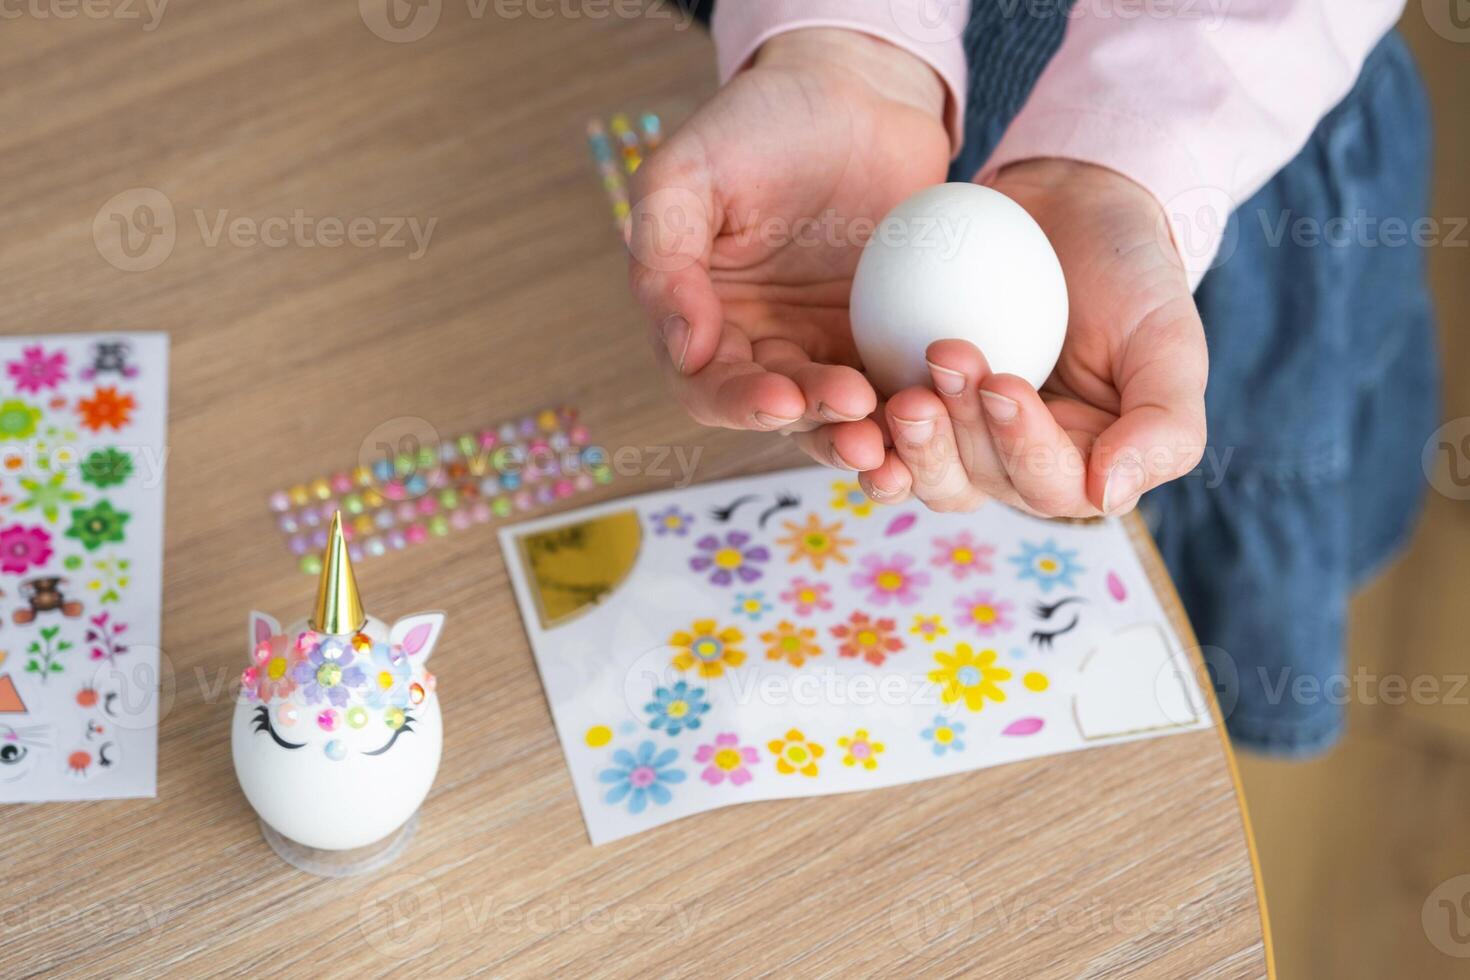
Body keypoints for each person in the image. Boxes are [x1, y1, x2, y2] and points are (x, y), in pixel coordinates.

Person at [628, 1, 1438, 755]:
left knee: (1189, 611)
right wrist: (849, 42)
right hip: (862, 149)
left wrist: (1122, 156)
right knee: (1027, 634)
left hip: (1228, 155)